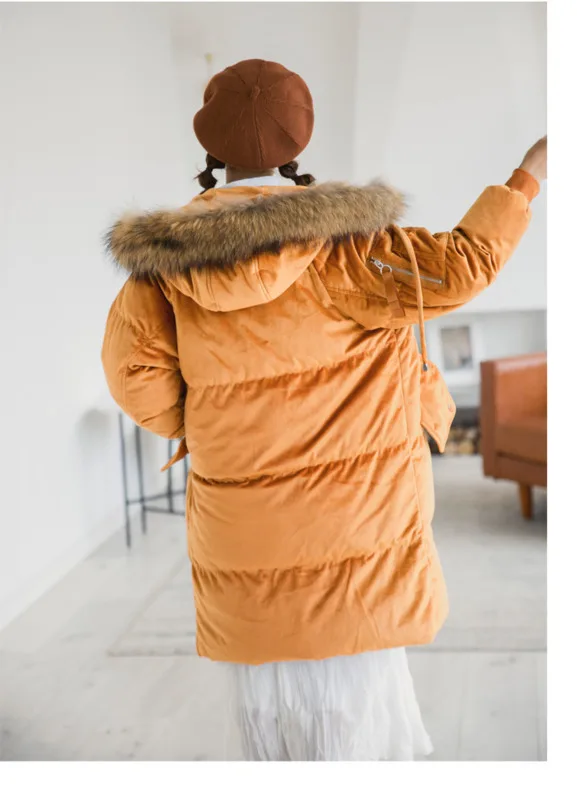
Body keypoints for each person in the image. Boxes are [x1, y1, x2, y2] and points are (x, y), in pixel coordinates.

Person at [102, 58, 546, 761]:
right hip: (358, 524)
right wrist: (526, 176)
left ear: (209, 145)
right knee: (357, 707)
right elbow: (463, 265)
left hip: (242, 530)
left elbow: (134, 378)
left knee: (269, 710)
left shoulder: (161, 268)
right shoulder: (353, 247)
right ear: (298, 140)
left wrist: (216, 420)